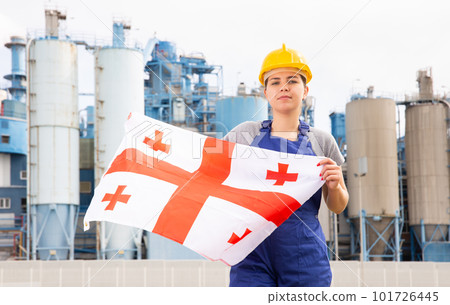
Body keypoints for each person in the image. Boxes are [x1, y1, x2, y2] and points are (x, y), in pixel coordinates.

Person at [223, 44, 349, 287]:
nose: (283, 86)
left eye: (292, 80)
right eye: (275, 81)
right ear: (266, 92)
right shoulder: (244, 135)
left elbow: (338, 206)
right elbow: (212, 177)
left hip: (304, 254)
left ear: (305, 90)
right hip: (252, 254)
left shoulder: (321, 140)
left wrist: (335, 187)